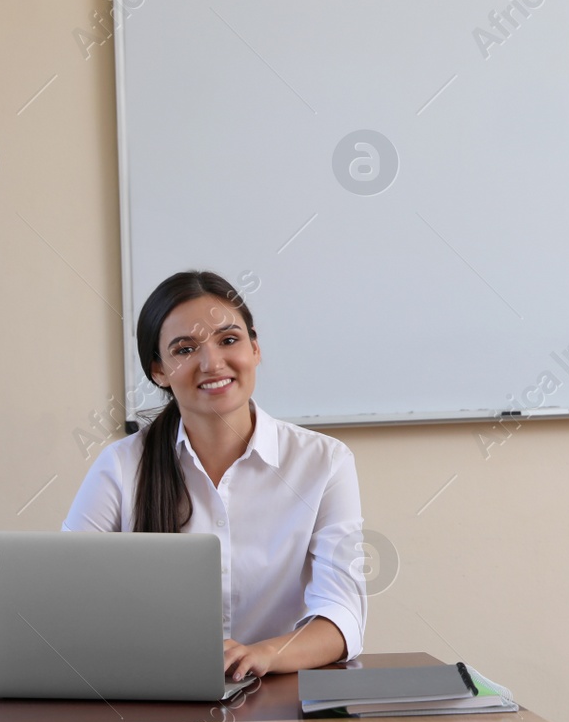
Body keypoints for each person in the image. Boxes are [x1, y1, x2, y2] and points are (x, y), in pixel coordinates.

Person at [63, 270, 365, 678]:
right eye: (185, 349)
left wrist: (263, 655)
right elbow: (66, 601)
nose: (212, 363)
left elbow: (342, 614)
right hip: (154, 695)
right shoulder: (121, 466)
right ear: (158, 370)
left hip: (277, 696)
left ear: (255, 348)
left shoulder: (323, 462)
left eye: (229, 340)